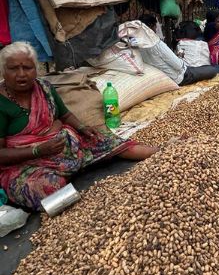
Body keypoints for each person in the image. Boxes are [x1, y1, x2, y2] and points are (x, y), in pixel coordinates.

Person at [0, 42, 157, 211]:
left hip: (62, 147)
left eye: (27, 67)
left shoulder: (44, 88)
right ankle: (77, 190)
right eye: (14, 68)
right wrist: (37, 150)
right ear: (3, 71)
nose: (21, 74)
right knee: (48, 189)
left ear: (36, 69)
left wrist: (82, 128)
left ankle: (165, 150)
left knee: (110, 142)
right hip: (24, 163)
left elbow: (65, 115)